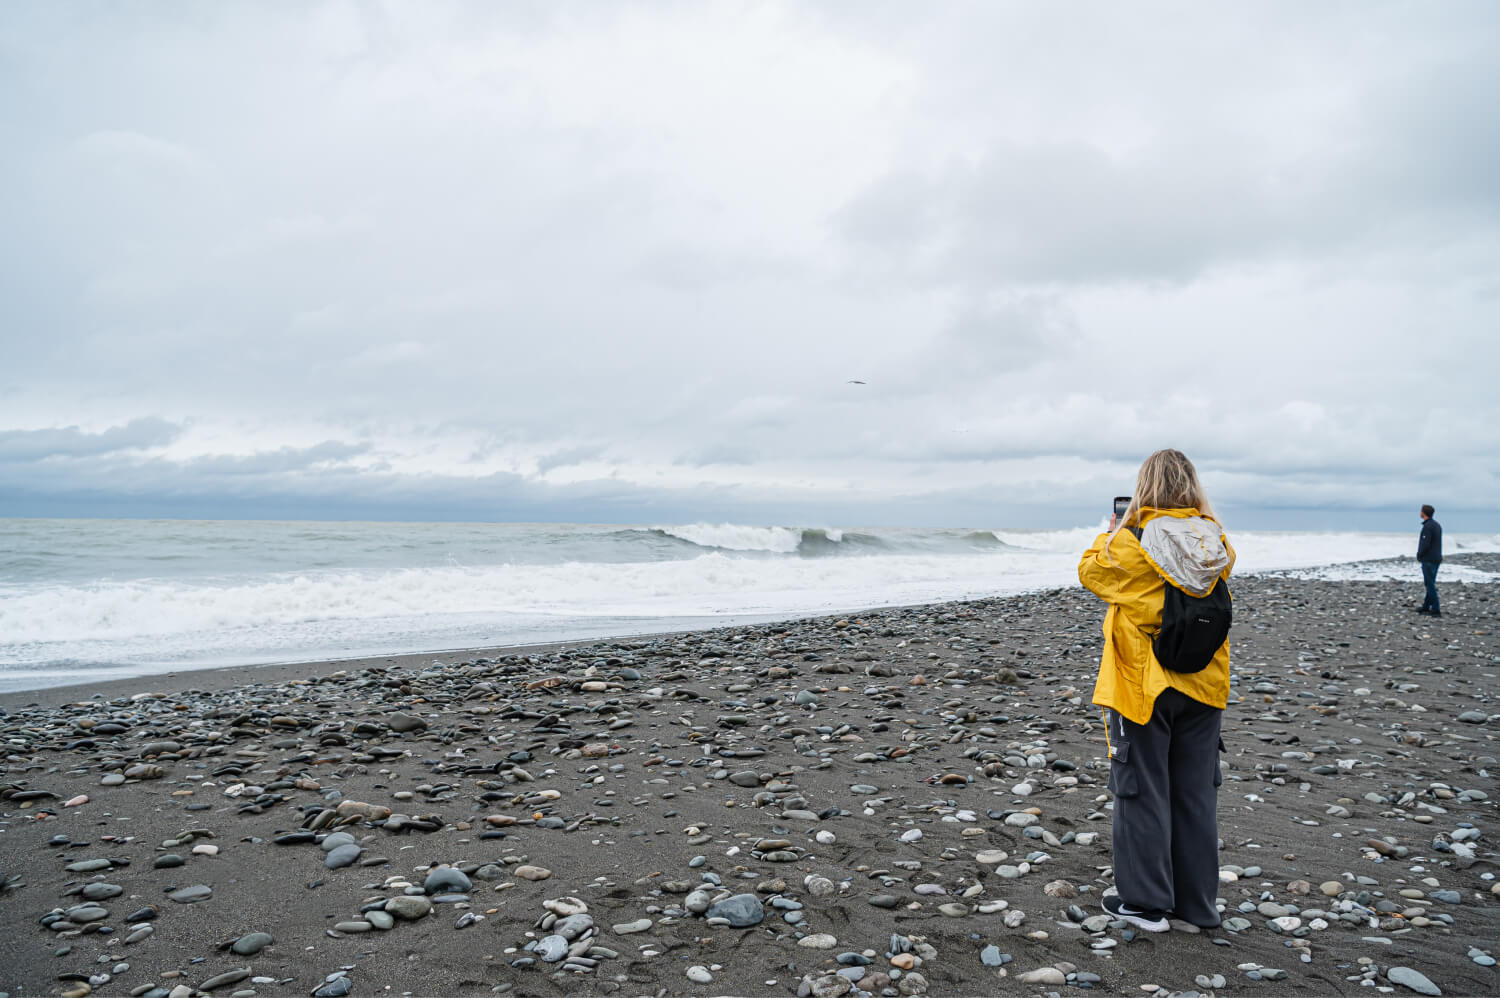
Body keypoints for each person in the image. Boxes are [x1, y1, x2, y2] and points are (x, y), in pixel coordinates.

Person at [1078, 448, 1234, 932]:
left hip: (1144, 683)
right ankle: (1196, 905)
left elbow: (1090, 571)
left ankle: (1146, 904)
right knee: (1193, 794)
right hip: (1204, 681)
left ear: (1144, 487)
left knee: (1142, 789)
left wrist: (1119, 526)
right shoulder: (1215, 538)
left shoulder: (1135, 538)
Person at [1417, 504, 1443, 617]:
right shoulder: (1437, 525)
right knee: (1430, 582)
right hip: (1436, 557)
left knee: (1429, 584)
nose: (1420, 513)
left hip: (1428, 558)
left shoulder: (1427, 527)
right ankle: (1426, 606)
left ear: (1424, 513)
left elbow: (1425, 544)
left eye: (1421, 511)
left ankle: (1436, 608)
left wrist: (1419, 554)